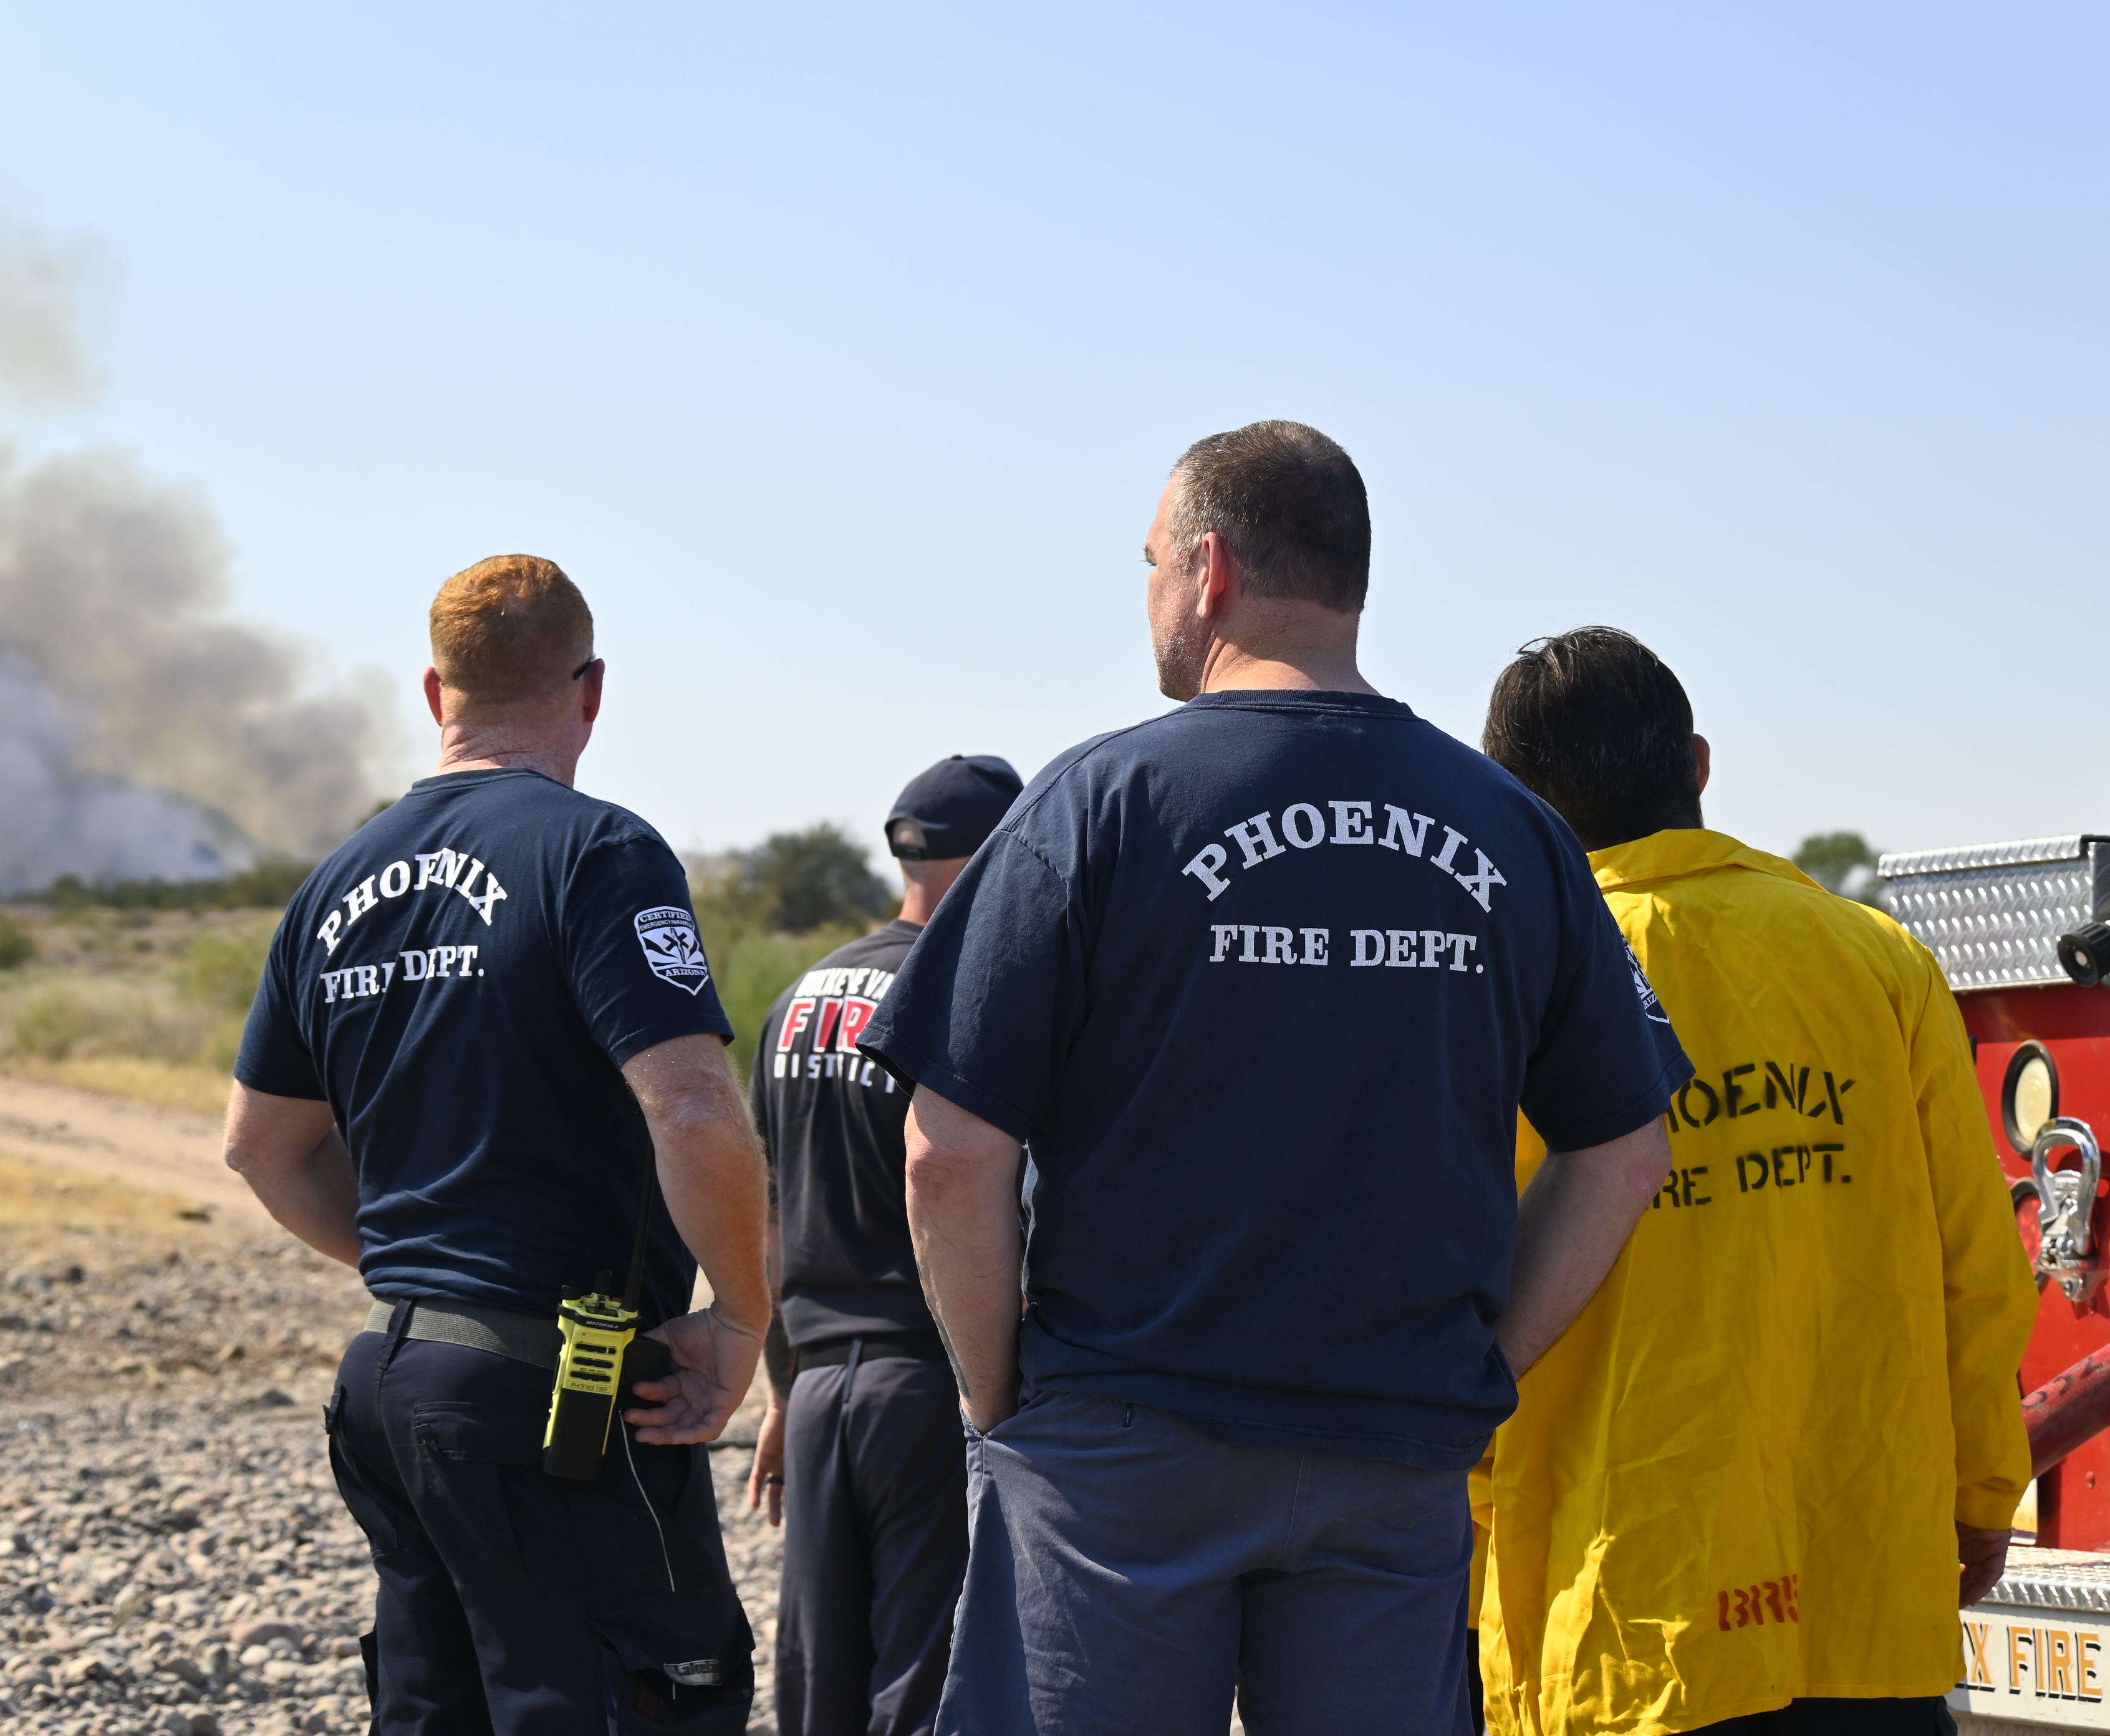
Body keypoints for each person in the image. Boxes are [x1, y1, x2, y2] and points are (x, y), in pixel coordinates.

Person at [855, 421, 1694, 1736]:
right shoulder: (1513, 829)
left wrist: (993, 1395)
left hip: (1123, 1448)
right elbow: (1627, 1150)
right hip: (1392, 1456)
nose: (1149, 592)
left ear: (1211, 572)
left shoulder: (1098, 803)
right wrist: (1480, 1370)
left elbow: (949, 1149)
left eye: (1149, 563)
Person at [223, 554, 771, 1734]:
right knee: (650, 1694)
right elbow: (690, 1106)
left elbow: (262, 1148)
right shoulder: (598, 853)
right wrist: (740, 1317)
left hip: (392, 1385)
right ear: (592, 690)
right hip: (554, 1397)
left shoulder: (333, 886)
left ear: (436, 693)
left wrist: (428, 1278)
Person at [1473, 626, 2034, 1736]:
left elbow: (1463, 1286)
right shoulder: (1876, 960)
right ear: (1697, 767)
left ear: (1509, 804)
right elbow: (1975, 1267)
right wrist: (1981, 1492)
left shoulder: (1512, 977)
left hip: (1625, 1627)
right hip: (1861, 1604)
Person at [748, 752, 1024, 1736]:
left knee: (819, 1679)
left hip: (819, 1387)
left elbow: (768, 1213)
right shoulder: (965, 994)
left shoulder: (798, 999)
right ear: (1001, 857)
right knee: (924, 1676)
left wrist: (782, 1389)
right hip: (932, 1386)